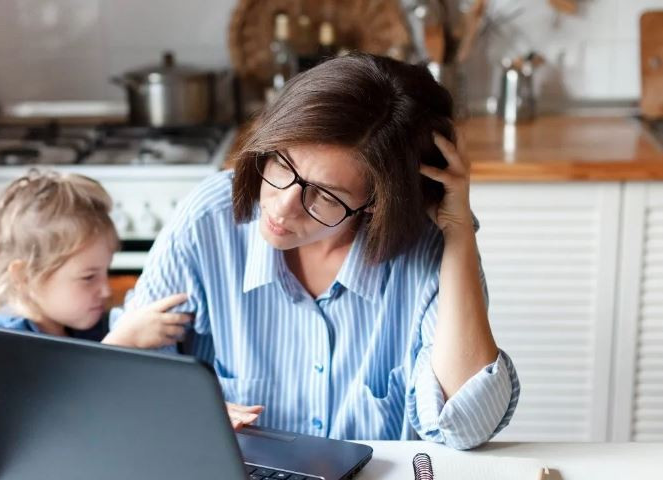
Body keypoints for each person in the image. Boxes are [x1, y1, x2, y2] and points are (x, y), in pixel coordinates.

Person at [113, 52, 520, 450]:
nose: (282, 206)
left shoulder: (429, 249)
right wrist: (188, 412)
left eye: (324, 195)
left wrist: (459, 231)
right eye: (282, 163)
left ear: (376, 202)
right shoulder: (209, 220)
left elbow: (466, 426)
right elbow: (127, 376)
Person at [0, 169, 192, 480]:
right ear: (24, 277)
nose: (105, 289)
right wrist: (121, 344)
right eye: (88, 277)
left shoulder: (81, 325)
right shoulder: (6, 348)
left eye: (106, 271)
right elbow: (63, 430)